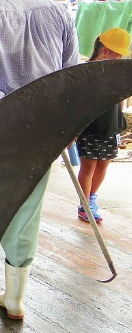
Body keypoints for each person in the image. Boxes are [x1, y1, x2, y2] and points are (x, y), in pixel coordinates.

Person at [0, 0, 79, 320]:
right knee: (27, 212)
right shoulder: (60, 13)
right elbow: (72, 76)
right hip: (43, 129)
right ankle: (14, 299)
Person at [76, 28, 130, 223]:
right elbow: (78, 103)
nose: (121, 57)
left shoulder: (117, 72)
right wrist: (74, 130)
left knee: (103, 165)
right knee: (88, 166)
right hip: (90, 127)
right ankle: (84, 205)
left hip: (111, 125)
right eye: (118, 52)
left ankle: (91, 199)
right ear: (106, 49)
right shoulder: (85, 71)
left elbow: (121, 99)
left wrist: (120, 122)